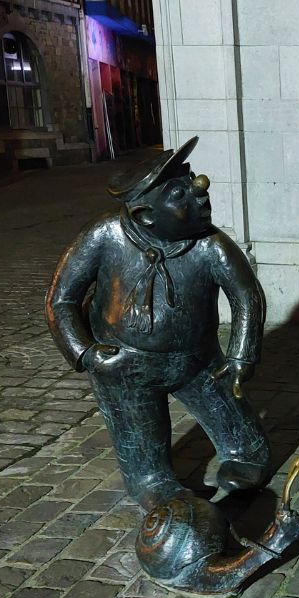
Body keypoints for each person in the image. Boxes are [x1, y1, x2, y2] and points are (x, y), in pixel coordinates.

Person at [46, 137, 270, 512]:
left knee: (246, 442)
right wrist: (84, 352)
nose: (200, 194)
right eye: (179, 193)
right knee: (145, 461)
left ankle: (241, 457)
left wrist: (242, 357)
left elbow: (246, 296)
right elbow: (62, 298)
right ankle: (155, 483)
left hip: (198, 362)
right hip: (124, 368)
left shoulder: (211, 244)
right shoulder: (104, 236)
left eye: (193, 181)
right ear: (145, 216)